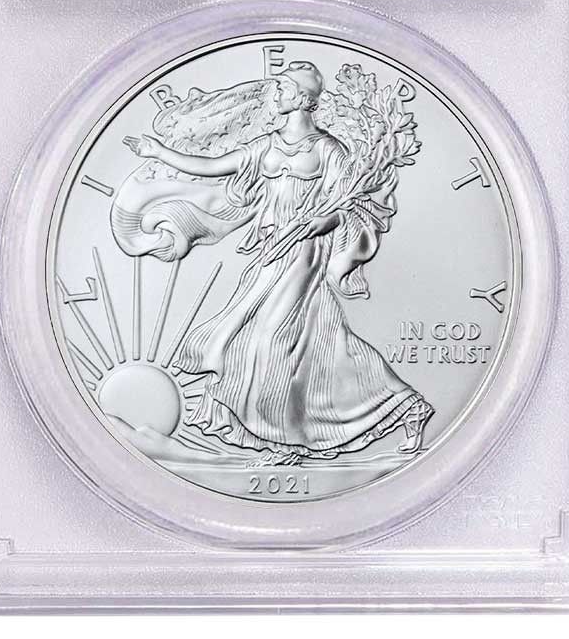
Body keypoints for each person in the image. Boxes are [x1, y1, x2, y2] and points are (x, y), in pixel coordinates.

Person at [122, 61, 432, 465]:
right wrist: (159, 151)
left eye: (284, 88)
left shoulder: (328, 150)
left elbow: (350, 205)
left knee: (272, 339)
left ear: (303, 99)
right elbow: (213, 167)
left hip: (305, 251)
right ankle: (406, 406)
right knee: (314, 341)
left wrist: (325, 220)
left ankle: (284, 443)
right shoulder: (265, 145)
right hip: (270, 249)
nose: (277, 94)